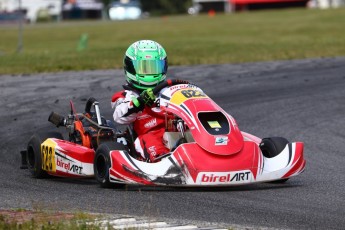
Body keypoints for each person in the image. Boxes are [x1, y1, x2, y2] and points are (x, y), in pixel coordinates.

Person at [111, 40, 170, 162]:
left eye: (154, 67)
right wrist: (139, 102)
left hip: (173, 132)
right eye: (144, 67)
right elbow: (119, 116)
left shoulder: (169, 91)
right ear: (131, 68)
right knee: (150, 141)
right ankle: (164, 163)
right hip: (147, 136)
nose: (149, 72)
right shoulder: (126, 96)